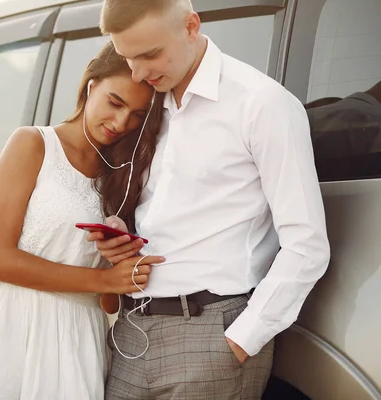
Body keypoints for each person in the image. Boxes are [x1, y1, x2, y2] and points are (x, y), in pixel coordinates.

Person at [88, 1, 331, 399]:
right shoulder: (147, 102)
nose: (139, 73)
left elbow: (307, 244)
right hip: (130, 334)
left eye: (150, 54)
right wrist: (122, 233)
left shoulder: (261, 104)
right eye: (128, 58)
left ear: (191, 26)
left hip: (210, 335)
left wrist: (240, 341)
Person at [0, 40, 165, 400]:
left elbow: (108, 303)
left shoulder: (122, 175)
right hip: (11, 327)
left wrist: (119, 259)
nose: (122, 122)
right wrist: (103, 277)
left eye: (137, 115)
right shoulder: (33, 144)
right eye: (115, 103)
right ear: (92, 86)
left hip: (78, 340)